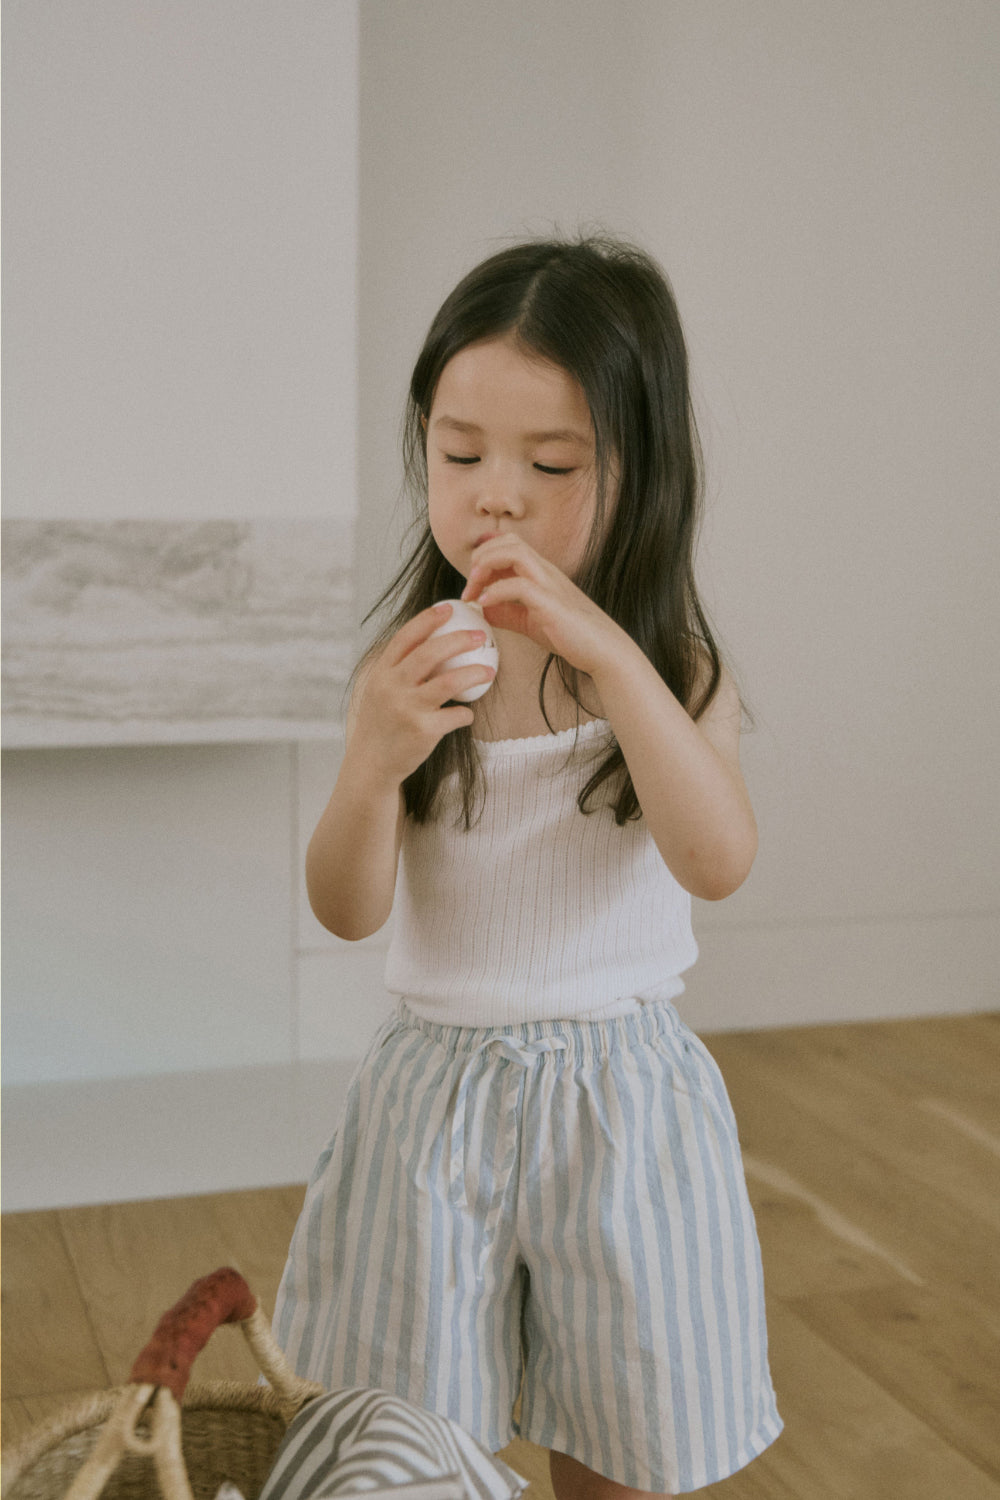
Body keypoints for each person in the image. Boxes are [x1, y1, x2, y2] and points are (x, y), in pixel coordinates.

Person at [273, 235, 782, 1499]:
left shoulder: (676, 674)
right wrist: (371, 758)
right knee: (408, 1447)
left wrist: (613, 660)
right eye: (458, 456)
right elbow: (344, 908)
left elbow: (716, 861)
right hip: (433, 1112)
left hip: (623, 1111)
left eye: (549, 466)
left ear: (636, 471)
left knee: (627, 1443)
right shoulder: (415, 667)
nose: (494, 496)